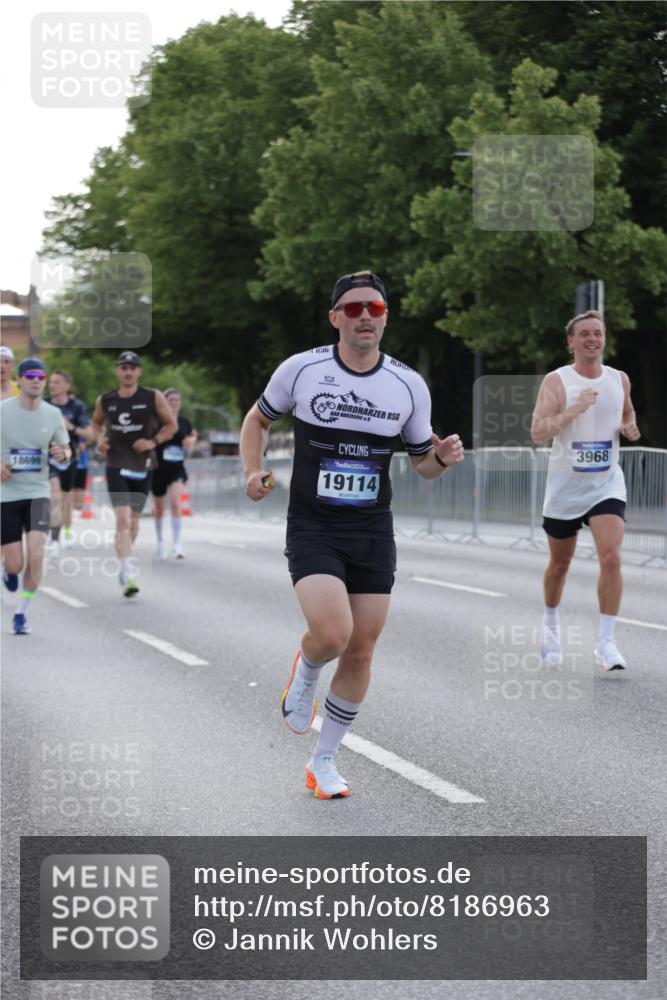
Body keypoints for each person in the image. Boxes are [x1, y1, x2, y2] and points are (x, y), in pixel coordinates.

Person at [240, 270, 464, 799]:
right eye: (356, 307)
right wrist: (253, 471)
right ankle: (308, 667)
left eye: (377, 309)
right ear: (336, 317)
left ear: (385, 318)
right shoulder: (303, 370)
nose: (367, 316)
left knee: (362, 648)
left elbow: (422, 466)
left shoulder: (408, 385)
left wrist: (443, 459)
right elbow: (257, 420)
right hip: (314, 524)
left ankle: (324, 760)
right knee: (334, 633)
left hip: (371, 528)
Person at [531, 309, 641, 672]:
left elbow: (627, 413)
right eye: (585, 334)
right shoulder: (557, 381)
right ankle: (550, 626)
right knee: (559, 565)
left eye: (598, 333)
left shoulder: (619, 378)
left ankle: (606, 644)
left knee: (611, 557)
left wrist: (629, 427)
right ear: (571, 341)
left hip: (606, 482)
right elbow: (538, 431)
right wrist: (574, 410)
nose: (593, 338)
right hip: (564, 488)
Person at [91, 351, 177, 597]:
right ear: (117, 371)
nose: (128, 372)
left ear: (138, 371)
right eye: (123, 368)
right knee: (123, 519)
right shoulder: (106, 400)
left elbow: (172, 425)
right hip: (116, 462)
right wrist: (99, 440)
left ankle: (124, 559)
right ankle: (128, 571)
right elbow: (96, 423)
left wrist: (153, 442)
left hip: (143, 465)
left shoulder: (152, 396)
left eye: (132, 368)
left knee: (135, 523)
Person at [1, 357, 70, 634]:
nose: (36, 380)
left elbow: (66, 450)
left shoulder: (53, 414)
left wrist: (62, 453)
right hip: (5, 495)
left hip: (38, 492)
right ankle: (9, 570)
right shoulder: (2, 410)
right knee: (16, 563)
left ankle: (21, 612)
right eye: (30, 375)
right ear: (19, 380)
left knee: (38, 554)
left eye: (40, 376)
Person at [45, 370, 94, 554]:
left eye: (57, 382)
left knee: (66, 500)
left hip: (69, 458)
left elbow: (89, 435)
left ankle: (67, 530)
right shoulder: (44, 404)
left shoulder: (77, 406)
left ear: (67, 385)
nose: (52, 385)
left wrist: (71, 427)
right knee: (55, 496)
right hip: (48, 457)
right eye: (51, 382)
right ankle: (54, 540)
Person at [151, 388, 197, 559]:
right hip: (157, 469)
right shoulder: (157, 421)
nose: (174, 402)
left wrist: (190, 441)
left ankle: (177, 544)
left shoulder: (184, 422)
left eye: (177, 400)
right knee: (160, 508)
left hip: (177, 468)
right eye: (171, 399)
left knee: (176, 504)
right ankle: (160, 542)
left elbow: (192, 434)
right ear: (164, 401)